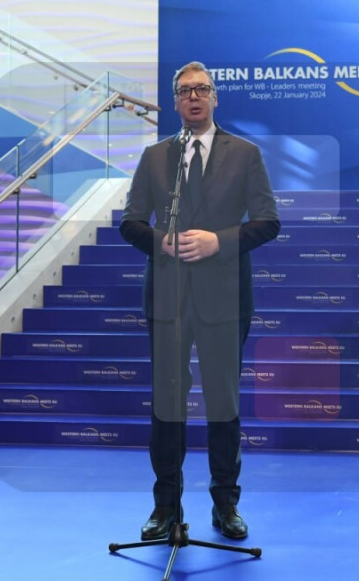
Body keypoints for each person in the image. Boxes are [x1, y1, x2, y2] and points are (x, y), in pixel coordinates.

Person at [119, 61, 280, 541]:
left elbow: (268, 221)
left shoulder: (246, 153)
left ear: (214, 97)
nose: (194, 96)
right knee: (166, 404)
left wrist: (218, 241)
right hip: (167, 297)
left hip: (224, 298)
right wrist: (161, 242)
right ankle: (165, 506)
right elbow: (131, 222)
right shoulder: (155, 157)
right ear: (174, 101)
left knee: (223, 403)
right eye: (185, 90)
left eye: (202, 89)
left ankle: (226, 505)